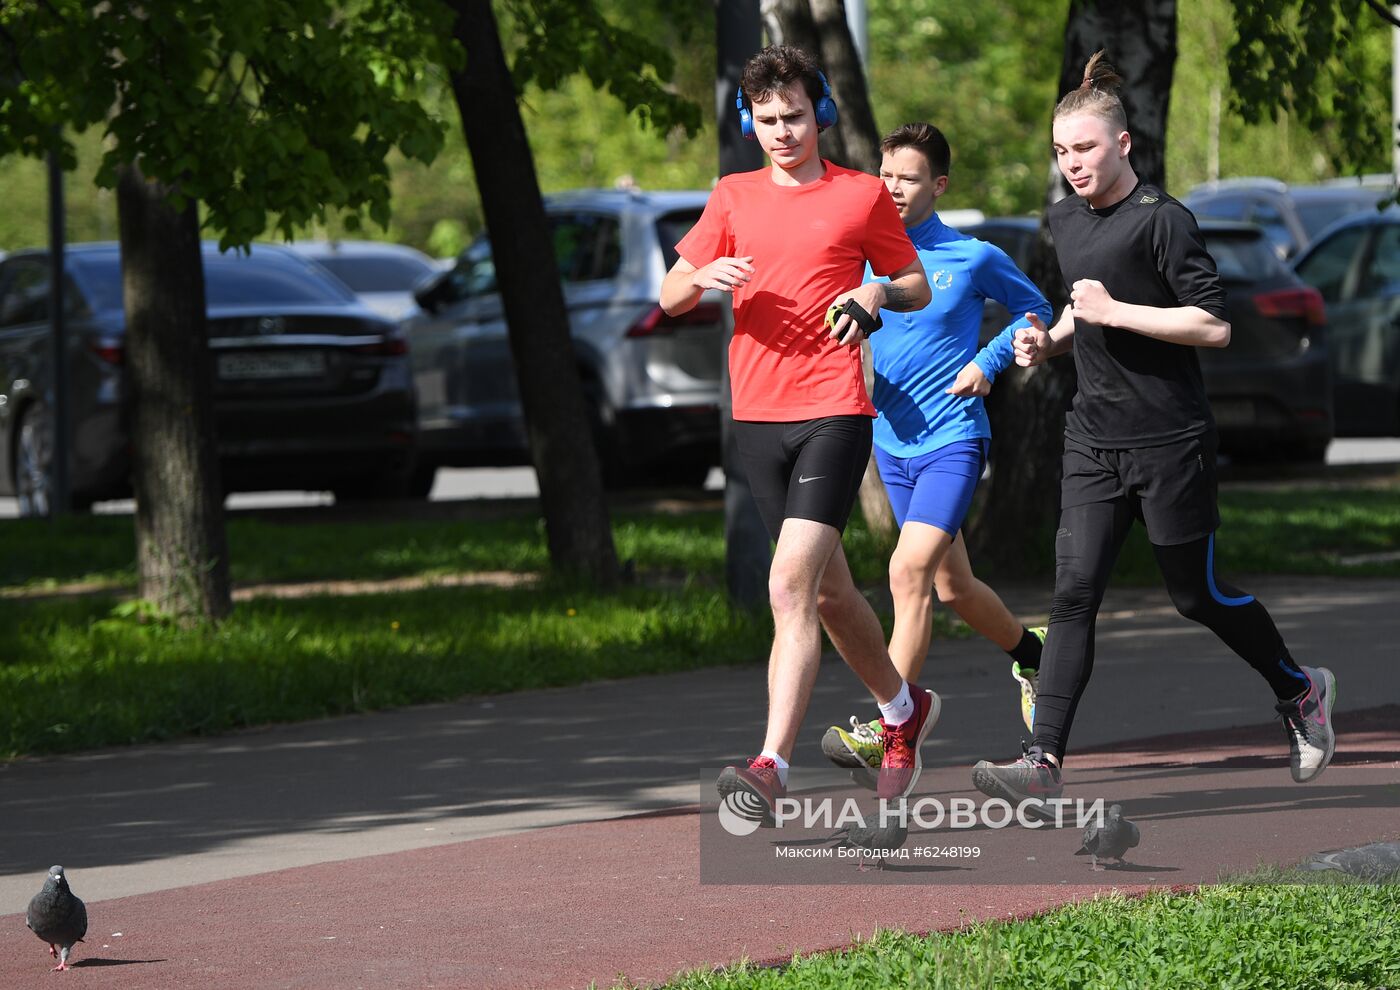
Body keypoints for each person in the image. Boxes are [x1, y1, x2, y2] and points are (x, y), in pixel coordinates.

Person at [971, 52, 1337, 806]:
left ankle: (1300, 691)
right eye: (1061, 150)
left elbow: (1213, 326)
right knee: (1073, 594)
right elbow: (1083, 304)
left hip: (1170, 440)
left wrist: (1114, 313)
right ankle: (1042, 762)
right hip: (1093, 437)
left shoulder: (1164, 220)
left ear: (1123, 144)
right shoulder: (1065, 217)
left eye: (1085, 148)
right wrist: (1054, 338)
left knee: (1195, 596)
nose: (1071, 164)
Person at [659, 45, 934, 817]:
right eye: (767, 119)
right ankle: (902, 710)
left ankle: (770, 764)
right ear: (751, 122)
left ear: (821, 114)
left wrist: (876, 292)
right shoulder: (733, 195)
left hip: (833, 410)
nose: (782, 131)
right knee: (831, 596)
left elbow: (913, 280)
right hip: (757, 414)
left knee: (786, 584)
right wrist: (700, 277)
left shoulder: (858, 195)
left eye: (794, 116)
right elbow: (671, 292)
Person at [820, 123, 1053, 781]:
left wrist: (990, 360)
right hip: (891, 444)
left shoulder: (972, 256)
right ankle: (1033, 653)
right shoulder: (866, 258)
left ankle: (891, 724)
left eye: (910, 178)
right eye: (887, 176)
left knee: (905, 572)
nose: (894, 189)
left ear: (939, 185)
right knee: (951, 586)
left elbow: (1035, 311)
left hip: (954, 438)